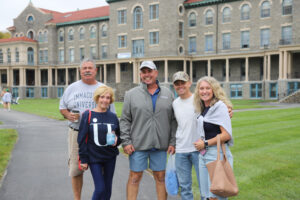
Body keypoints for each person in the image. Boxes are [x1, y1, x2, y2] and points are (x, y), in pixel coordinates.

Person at [59, 58, 115, 200]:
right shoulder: (72, 88)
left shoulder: (103, 88)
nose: (87, 70)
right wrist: (68, 115)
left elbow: (112, 115)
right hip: (77, 134)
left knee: (102, 172)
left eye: (90, 68)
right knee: (76, 170)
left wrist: (113, 135)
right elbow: (62, 108)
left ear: (96, 70)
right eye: (84, 68)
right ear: (80, 71)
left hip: (99, 136)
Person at [120, 60, 177, 200]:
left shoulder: (168, 94)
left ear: (156, 73)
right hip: (138, 145)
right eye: (143, 72)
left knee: (160, 177)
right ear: (140, 75)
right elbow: (125, 120)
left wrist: (172, 141)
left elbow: (174, 120)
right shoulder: (131, 94)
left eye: (149, 71)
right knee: (135, 177)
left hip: (161, 145)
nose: (147, 75)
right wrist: (126, 142)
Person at [193, 76, 234, 200]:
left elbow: (226, 135)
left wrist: (205, 143)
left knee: (216, 196)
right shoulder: (203, 108)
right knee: (206, 196)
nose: (204, 91)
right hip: (203, 155)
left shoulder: (220, 106)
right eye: (201, 88)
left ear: (214, 90)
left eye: (207, 88)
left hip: (217, 154)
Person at [78, 85, 121, 200]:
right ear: (97, 98)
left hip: (110, 156)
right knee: (100, 188)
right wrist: (83, 159)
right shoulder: (88, 115)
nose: (105, 100)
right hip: (94, 157)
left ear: (110, 100)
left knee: (107, 189)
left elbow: (119, 135)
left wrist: (117, 140)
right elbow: (81, 139)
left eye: (108, 98)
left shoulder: (113, 117)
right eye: (102, 97)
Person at [171, 71, 203, 200]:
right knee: (184, 188)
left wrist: (228, 108)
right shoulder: (175, 103)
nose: (180, 86)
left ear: (189, 83)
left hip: (199, 149)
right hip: (181, 150)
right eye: (177, 84)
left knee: (204, 186)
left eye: (183, 83)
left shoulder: (198, 99)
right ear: (174, 86)